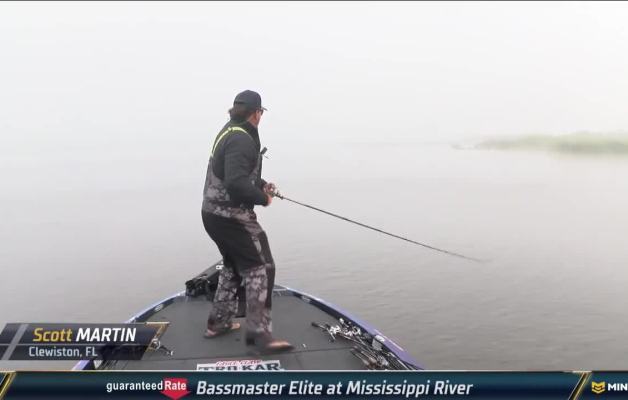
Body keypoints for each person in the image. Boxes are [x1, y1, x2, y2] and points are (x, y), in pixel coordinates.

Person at [200, 90, 293, 353]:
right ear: (256, 113)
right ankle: (259, 337)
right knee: (261, 266)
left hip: (213, 214)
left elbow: (235, 172)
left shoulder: (230, 131)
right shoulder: (241, 139)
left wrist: (261, 185)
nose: (261, 116)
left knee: (233, 265)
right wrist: (263, 199)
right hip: (230, 216)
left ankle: (218, 323)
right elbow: (236, 183)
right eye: (261, 112)